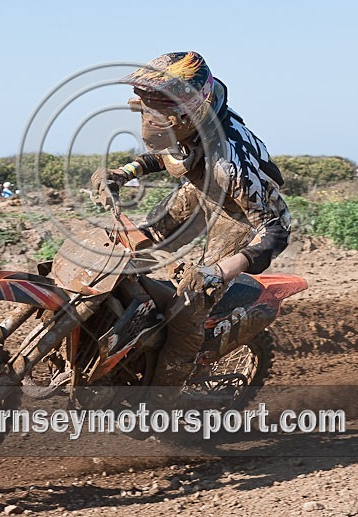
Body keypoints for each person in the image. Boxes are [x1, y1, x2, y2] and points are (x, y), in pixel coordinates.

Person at [91, 51, 291, 401]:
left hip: (242, 214)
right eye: (147, 105)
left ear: (192, 107)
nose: (152, 117)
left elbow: (274, 228)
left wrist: (222, 270)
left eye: (161, 107)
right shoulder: (188, 124)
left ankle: (162, 397)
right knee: (132, 245)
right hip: (201, 189)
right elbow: (166, 153)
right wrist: (124, 173)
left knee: (193, 297)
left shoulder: (228, 163)